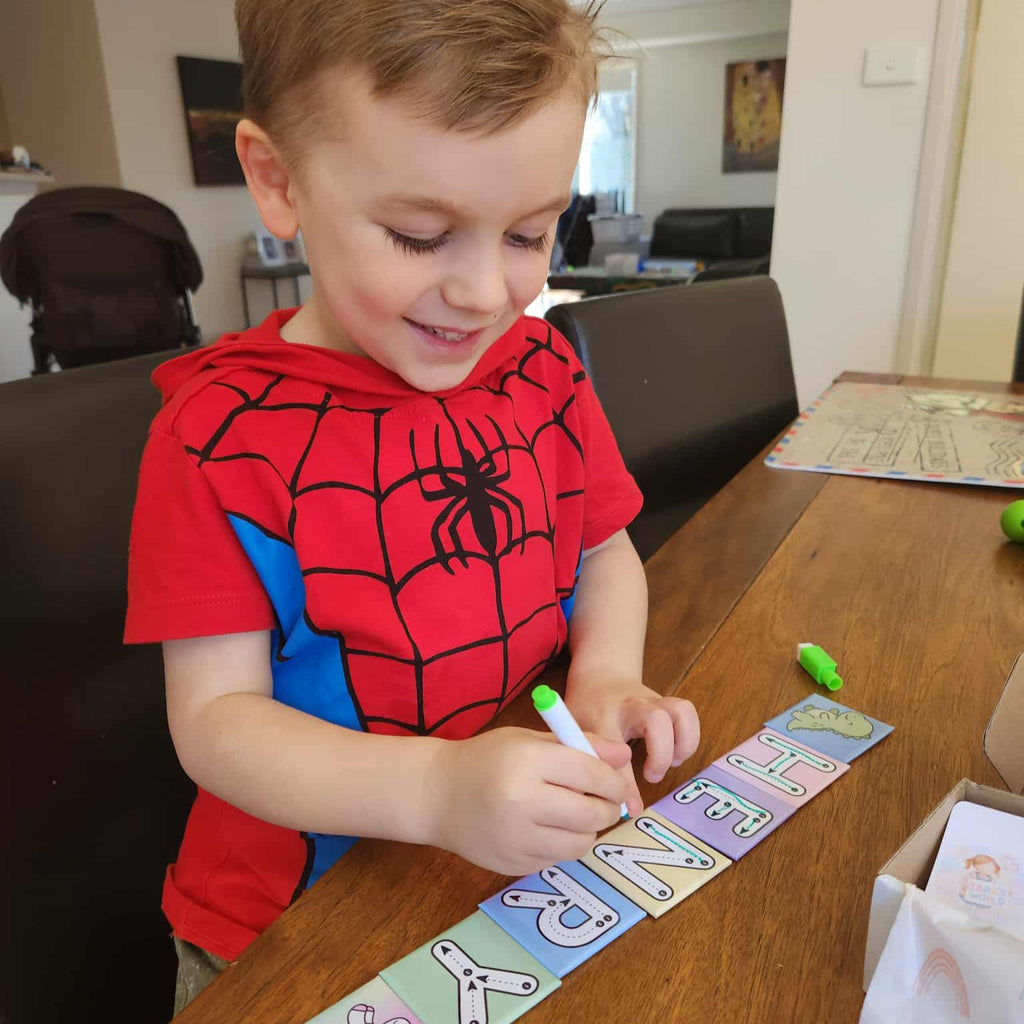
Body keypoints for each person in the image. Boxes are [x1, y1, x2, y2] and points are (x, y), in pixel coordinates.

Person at [124, 0, 700, 1012]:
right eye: (418, 234)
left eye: (529, 232)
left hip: (492, 876)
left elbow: (601, 549)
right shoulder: (216, 432)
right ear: (278, 180)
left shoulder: (543, 370)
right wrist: (435, 790)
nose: (486, 292)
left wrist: (608, 673)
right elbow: (215, 720)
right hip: (280, 929)